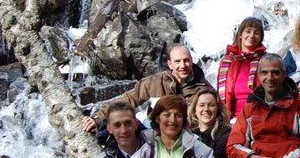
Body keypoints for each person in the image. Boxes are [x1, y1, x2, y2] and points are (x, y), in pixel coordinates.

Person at [83, 44, 211, 133]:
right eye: (177, 61)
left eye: (186, 61)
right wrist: (98, 119)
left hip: (189, 136)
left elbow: (217, 113)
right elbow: (126, 101)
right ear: (170, 64)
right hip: (155, 134)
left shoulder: (203, 88)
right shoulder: (153, 83)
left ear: (191, 61)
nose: (182, 65)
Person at [216, 17, 267, 118]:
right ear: (240, 35)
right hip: (231, 119)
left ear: (260, 38)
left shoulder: (266, 60)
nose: (252, 36)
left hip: (259, 116)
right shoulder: (227, 62)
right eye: (248, 31)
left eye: (256, 33)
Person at [187, 87, 232, 158]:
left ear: (218, 109)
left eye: (211, 105)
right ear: (195, 110)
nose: (206, 109)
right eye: (201, 105)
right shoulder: (188, 133)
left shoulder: (225, 133)